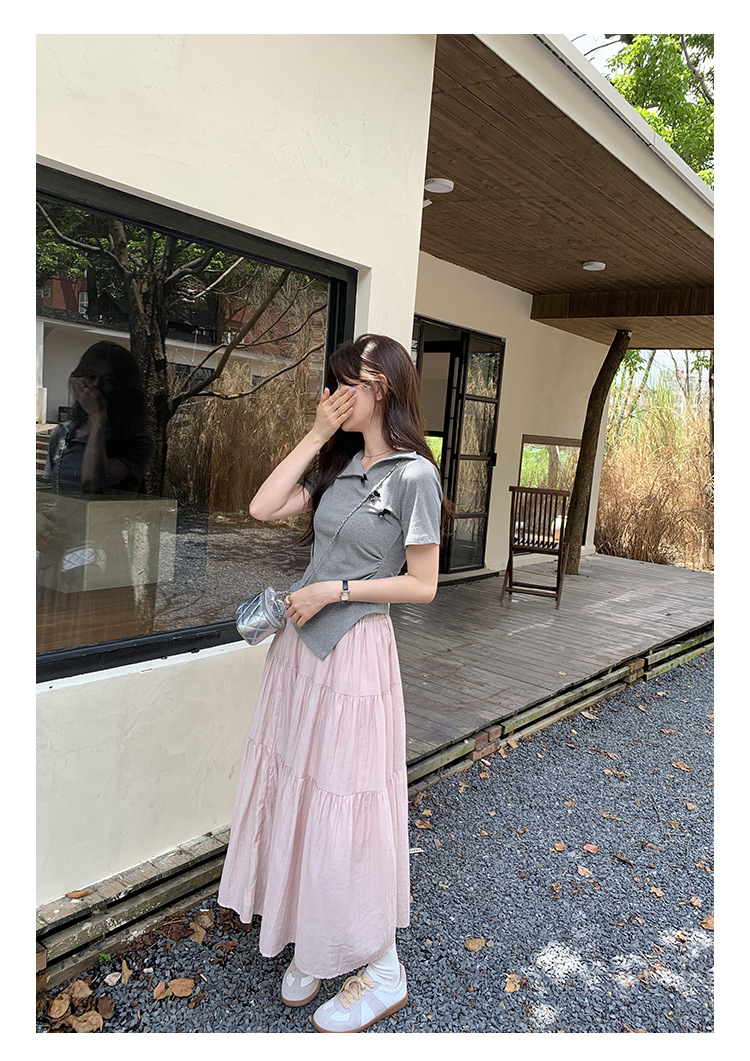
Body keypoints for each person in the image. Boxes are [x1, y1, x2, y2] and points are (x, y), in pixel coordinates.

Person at [217, 334, 453, 1033]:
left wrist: (335, 590)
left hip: (354, 655)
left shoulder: (414, 476)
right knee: (300, 787)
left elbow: (423, 583)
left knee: (345, 797)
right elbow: (262, 507)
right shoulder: (341, 464)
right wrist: (318, 433)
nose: (336, 393)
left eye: (349, 381)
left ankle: (381, 967)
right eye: (335, 382)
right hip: (299, 654)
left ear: (384, 387)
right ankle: (314, 939)